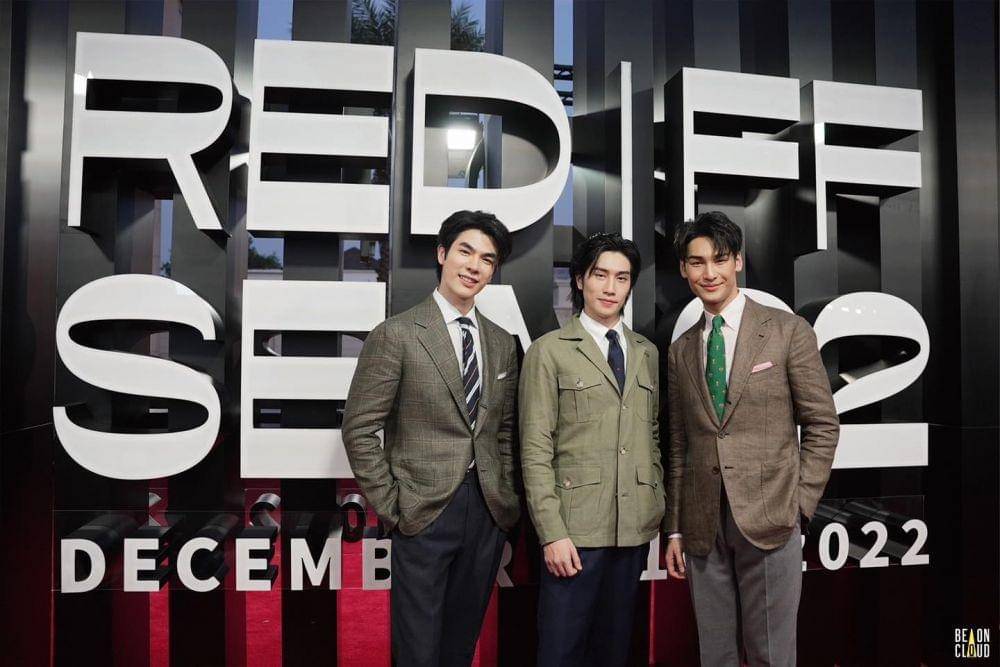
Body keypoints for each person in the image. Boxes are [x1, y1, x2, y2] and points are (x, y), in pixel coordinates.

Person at [341, 210, 520, 667]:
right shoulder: (396, 334)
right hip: (422, 511)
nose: (474, 266)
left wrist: (503, 497)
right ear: (442, 254)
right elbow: (359, 428)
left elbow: (502, 430)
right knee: (418, 651)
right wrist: (394, 507)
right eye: (465, 251)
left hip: (487, 511)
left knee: (460, 646)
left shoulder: (502, 342)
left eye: (487, 259)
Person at [663, 211, 839, 666]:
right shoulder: (681, 350)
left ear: (738, 261)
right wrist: (676, 527)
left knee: (771, 655)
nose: (709, 273)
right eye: (697, 262)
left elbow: (822, 424)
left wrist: (799, 504)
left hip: (772, 517)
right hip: (703, 525)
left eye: (720, 259)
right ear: (683, 269)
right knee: (715, 654)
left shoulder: (787, 330)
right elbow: (680, 445)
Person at [519, 232, 663, 666]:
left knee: (613, 652)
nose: (610, 287)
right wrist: (552, 533)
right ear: (580, 280)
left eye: (622, 277)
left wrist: (655, 501)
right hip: (574, 533)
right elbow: (535, 448)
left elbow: (652, 435)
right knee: (560, 653)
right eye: (600, 275)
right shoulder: (548, 352)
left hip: (632, 530)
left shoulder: (646, 352)